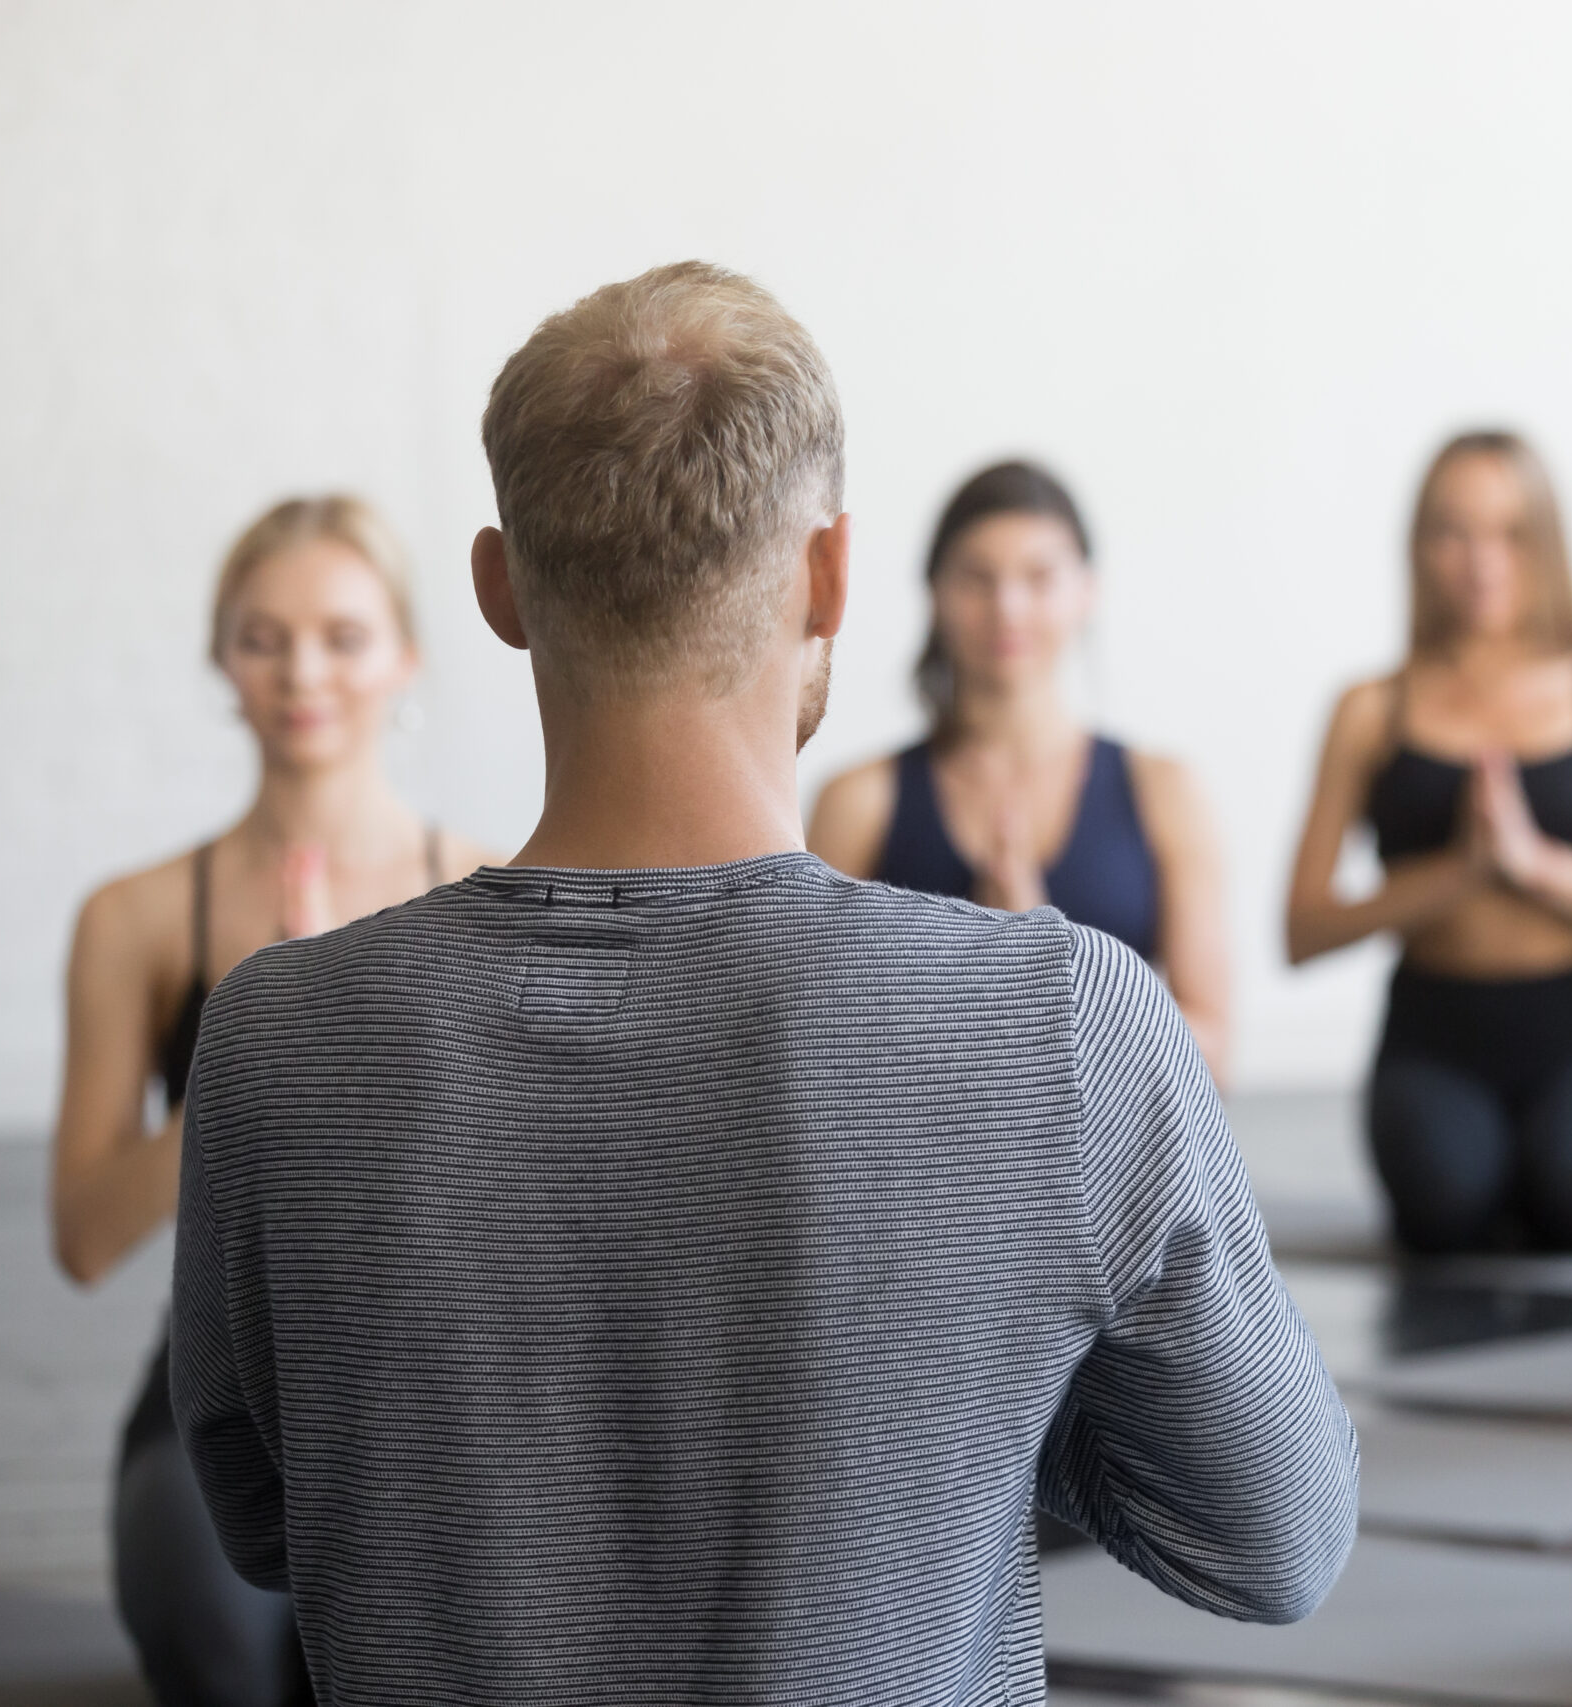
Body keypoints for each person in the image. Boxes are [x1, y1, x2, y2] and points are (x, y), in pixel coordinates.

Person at [169, 262, 1355, 1705]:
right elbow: (1274, 1544)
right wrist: (970, 1384)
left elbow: (267, 1524)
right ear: (835, 573)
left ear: (498, 589)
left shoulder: (274, 1037)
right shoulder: (1062, 1020)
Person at [51, 495, 493, 1707]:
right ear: (220, 658)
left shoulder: (489, 889)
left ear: (404, 657)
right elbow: (85, 1239)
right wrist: (255, 1056)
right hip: (219, 1395)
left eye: (344, 637)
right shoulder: (134, 918)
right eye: (264, 636)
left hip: (437, 1400)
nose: (304, 671)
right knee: (222, 1648)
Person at [1286, 430, 1572, 1255]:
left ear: (1546, 543)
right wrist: (1456, 872)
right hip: (1435, 1027)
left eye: (1510, 532)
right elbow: (1302, 929)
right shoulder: (1371, 708)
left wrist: (1537, 866)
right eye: (1453, 532)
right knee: (1442, 1209)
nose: (1483, 561)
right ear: (1420, 546)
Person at [809, 460, 1231, 1082]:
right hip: (925, 1166)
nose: (1007, 606)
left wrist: (1042, 966)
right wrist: (989, 977)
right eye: (977, 578)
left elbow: (1214, 1051)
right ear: (935, 594)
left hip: (1108, 1170)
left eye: (1039, 577)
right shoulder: (859, 800)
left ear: (1087, 591)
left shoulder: (1164, 791)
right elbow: (816, 1033)